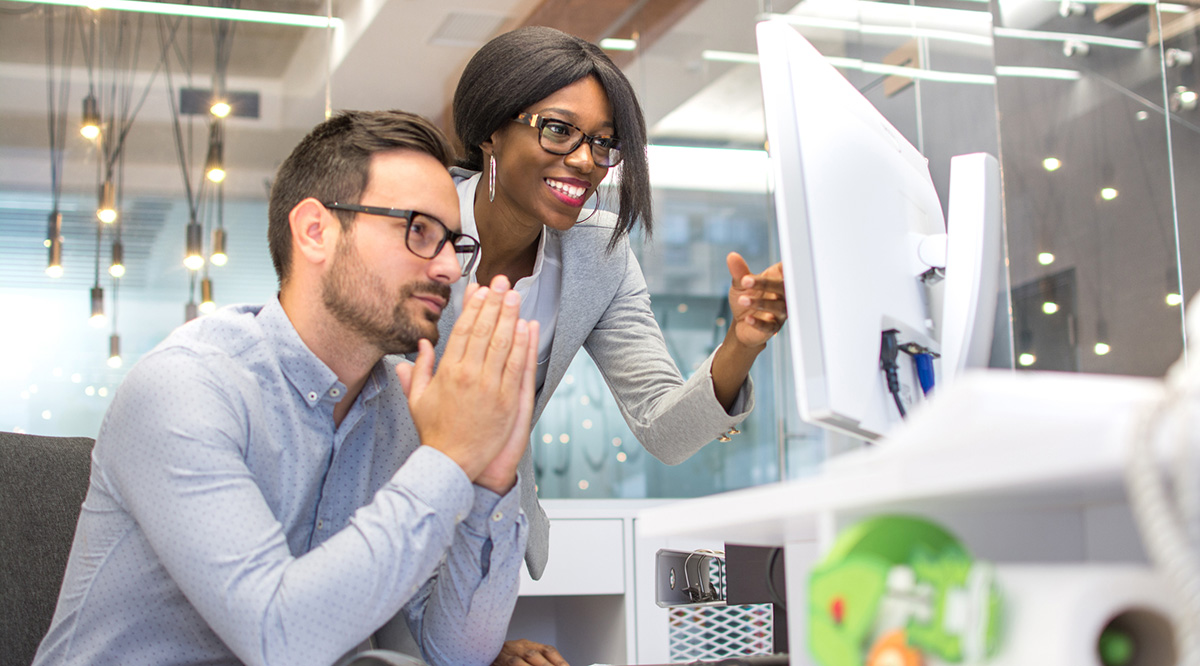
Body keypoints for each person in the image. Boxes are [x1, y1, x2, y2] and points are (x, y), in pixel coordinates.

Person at [33, 110, 540, 666]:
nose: (449, 267)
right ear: (315, 231)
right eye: (419, 230)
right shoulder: (185, 385)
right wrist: (447, 457)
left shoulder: (398, 415)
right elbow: (281, 640)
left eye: (453, 243)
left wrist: (491, 479)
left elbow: (458, 653)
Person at [417, 26, 788, 666]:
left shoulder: (599, 254)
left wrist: (742, 343)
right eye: (558, 130)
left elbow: (666, 431)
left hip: (483, 540)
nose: (587, 161)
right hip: (364, 524)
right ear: (490, 132)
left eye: (604, 143)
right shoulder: (414, 221)